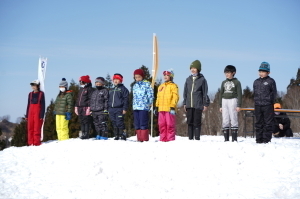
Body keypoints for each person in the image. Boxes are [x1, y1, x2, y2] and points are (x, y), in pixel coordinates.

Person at [183, 60, 210, 140]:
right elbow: (185, 92)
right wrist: (185, 103)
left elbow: (205, 92)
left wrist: (205, 103)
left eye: (195, 68)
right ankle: (190, 138)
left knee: (197, 122)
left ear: (198, 69)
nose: (193, 70)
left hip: (198, 104)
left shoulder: (202, 80)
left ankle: (197, 138)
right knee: (190, 122)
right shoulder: (188, 79)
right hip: (189, 104)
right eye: (191, 68)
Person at [253, 62, 277, 143]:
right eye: (260, 71)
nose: (261, 73)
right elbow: (254, 93)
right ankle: (259, 139)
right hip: (258, 105)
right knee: (258, 123)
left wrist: (270, 101)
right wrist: (256, 100)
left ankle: (266, 140)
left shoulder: (271, 81)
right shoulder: (256, 82)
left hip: (267, 105)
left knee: (268, 123)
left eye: (263, 72)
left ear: (268, 72)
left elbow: (274, 93)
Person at [219, 65, 242, 142]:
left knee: (233, 118)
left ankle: (234, 138)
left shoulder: (237, 82)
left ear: (233, 73)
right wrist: (220, 105)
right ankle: (226, 138)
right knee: (225, 119)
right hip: (224, 100)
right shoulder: (223, 82)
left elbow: (239, 94)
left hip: (233, 100)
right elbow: (221, 93)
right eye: (226, 72)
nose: (227, 74)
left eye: (228, 72)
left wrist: (239, 105)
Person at [155, 69, 179, 142]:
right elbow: (158, 97)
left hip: (169, 109)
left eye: (167, 75)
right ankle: (163, 139)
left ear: (171, 76)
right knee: (162, 125)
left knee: (169, 125)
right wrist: (157, 106)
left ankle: (170, 139)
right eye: (164, 75)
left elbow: (175, 96)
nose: (165, 76)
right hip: (161, 109)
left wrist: (172, 105)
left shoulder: (173, 86)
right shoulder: (161, 86)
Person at [132, 69, 154, 142]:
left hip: (143, 106)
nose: (137, 79)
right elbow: (134, 96)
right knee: (137, 123)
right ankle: (139, 138)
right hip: (136, 107)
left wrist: (150, 102)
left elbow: (150, 94)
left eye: (139, 77)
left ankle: (144, 138)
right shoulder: (134, 85)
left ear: (142, 76)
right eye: (136, 77)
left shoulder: (147, 84)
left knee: (143, 123)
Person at [108, 73, 129, 140]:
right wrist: (108, 108)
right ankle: (116, 135)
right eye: (114, 79)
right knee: (114, 122)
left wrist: (124, 108)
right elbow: (109, 99)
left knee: (119, 122)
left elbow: (126, 99)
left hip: (119, 108)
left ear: (120, 80)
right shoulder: (111, 89)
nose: (115, 81)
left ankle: (122, 134)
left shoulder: (123, 89)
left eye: (117, 79)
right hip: (111, 109)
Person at [25, 80, 45, 146]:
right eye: (32, 85)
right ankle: (30, 142)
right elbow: (28, 105)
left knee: (37, 128)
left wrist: (41, 115)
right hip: (30, 112)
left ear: (38, 86)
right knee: (30, 127)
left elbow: (43, 105)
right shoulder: (30, 94)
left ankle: (36, 142)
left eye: (34, 85)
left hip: (38, 113)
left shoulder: (41, 94)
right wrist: (27, 115)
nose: (33, 87)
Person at [75, 75, 94, 139]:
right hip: (80, 107)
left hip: (85, 107)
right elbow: (78, 98)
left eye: (82, 82)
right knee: (82, 121)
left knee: (86, 121)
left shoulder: (89, 89)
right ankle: (83, 133)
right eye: (80, 82)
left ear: (86, 82)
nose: (81, 83)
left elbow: (91, 98)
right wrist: (76, 106)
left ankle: (86, 133)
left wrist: (89, 107)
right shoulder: (81, 89)